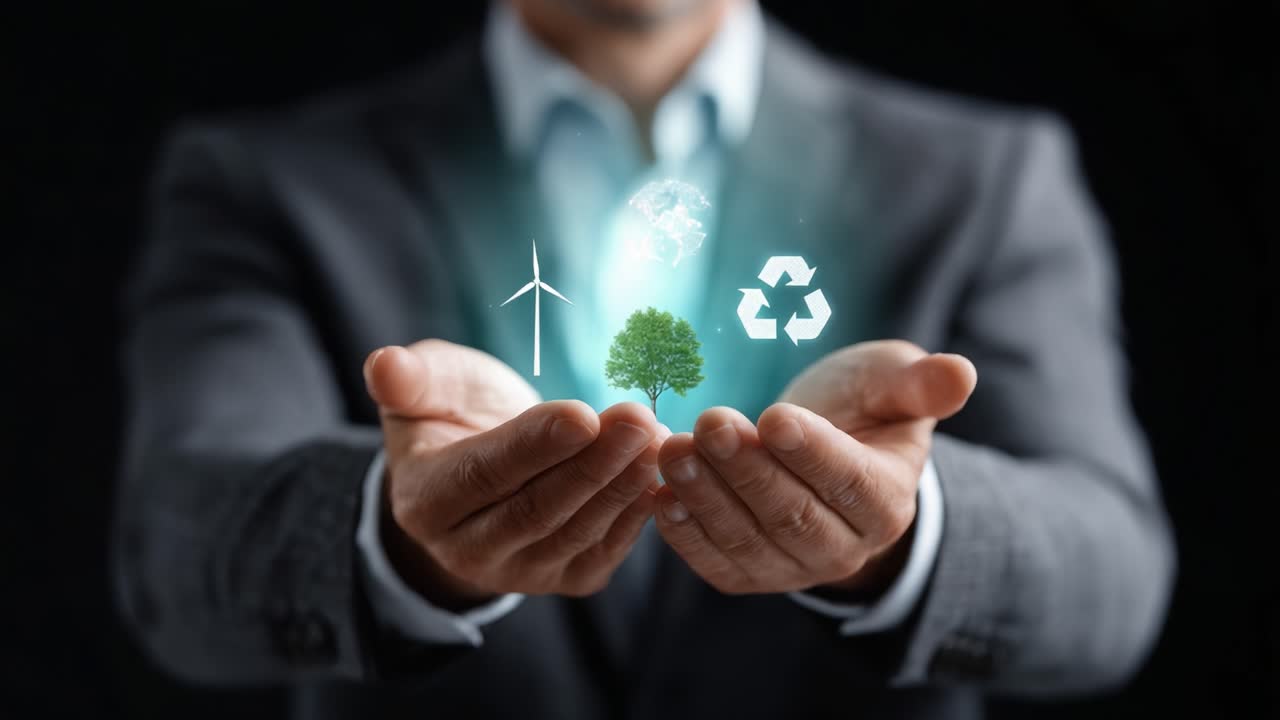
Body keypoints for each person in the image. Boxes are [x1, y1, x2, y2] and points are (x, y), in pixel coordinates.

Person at [114, 0, 1176, 717]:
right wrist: (399, 537)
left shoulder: (981, 178)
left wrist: (899, 534)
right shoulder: (267, 184)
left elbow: (1112, 577)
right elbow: (176, 554)